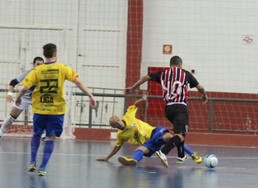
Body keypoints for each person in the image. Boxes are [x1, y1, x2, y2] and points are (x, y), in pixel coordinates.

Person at [15, 43, 96, 176]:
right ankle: (42, 167)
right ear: (55, 54)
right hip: (56, 110)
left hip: (40, 109)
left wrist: (18, 97)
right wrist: (90, 95)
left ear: (44, 55)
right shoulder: (62, 68)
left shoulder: (37, 70)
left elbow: (24, 88)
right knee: (50, 137)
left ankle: (32, 161)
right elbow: (78, 82)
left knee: (36, 134)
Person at [126, 55, 208, 167]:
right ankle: (163, 152)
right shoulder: (186, 74)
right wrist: (204, 95)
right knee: (181, 135)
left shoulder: (163, 73)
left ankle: (181, 155)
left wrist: (132, 88)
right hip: (180, 107)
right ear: (180, 64)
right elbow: (200, 88)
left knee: (178, 132)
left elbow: (145, 77)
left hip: (168, 109)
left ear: (171, 65)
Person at [96, 97, 202, 166]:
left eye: (117, 121)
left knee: (170, 137)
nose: (117, 123)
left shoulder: (128, 115)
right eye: (115, 124)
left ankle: (193, 155)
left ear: (119, 118)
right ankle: (133, 160)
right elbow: (117, 146)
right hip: (148, 143)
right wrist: (107, 157)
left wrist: (143, 99)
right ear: (114, 127)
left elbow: (135, 104)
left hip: (154, 132)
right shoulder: (121, 135)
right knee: (140, 149)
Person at [0, 56, 44, 138]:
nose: (39, 66)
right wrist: (9, 94)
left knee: (43, 116)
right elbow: (13, 82)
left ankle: (44, 134)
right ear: (34, 65)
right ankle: (1, 132)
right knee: (12, 117)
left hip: (38, 99)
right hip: (24, 98)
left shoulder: (45, 74)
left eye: (41, 65)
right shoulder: (28, 73)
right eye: (37, 64)